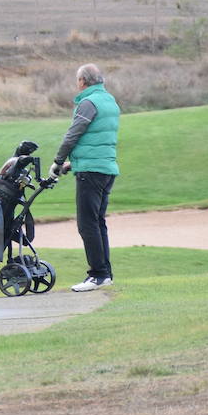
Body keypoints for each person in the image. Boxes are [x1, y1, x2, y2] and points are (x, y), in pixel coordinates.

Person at [50, 64, 120, 292]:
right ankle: (105, 273)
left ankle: (98, 275)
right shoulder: (110, 100)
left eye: (77, 80)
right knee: (98, 222)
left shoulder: (88, 103)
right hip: (106, 169)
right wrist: (72, 164)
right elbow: (96, 141)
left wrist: (58, 162)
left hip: (91, 173)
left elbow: (73, 134)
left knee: (87, 224)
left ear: (83, 81)